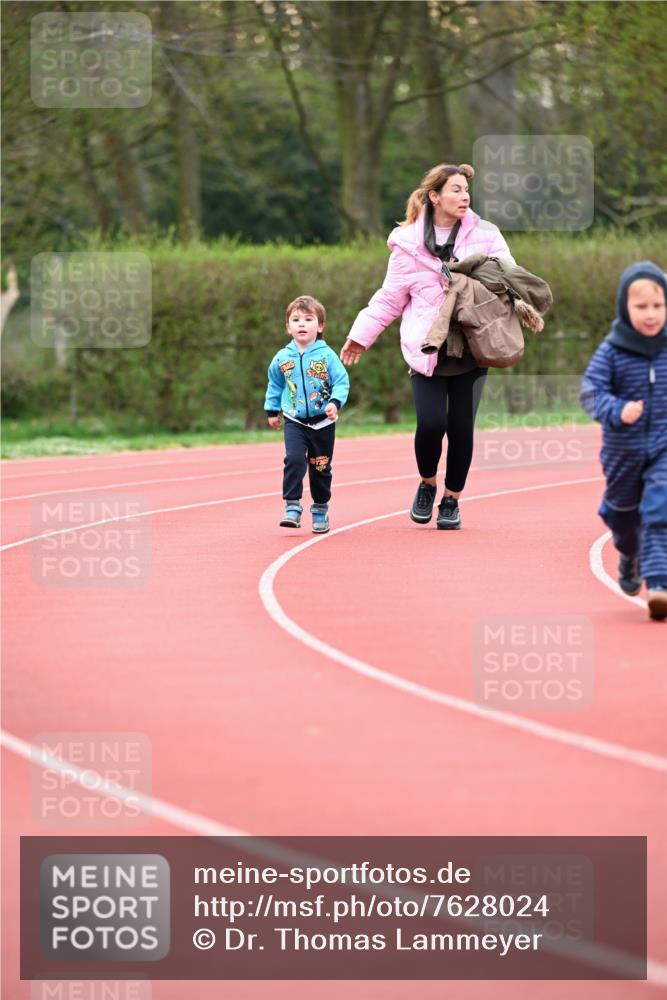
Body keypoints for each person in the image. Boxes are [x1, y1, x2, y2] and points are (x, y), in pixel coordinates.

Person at [340, 163, 514, 530]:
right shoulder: (406, 244)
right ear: (434, 196)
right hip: (427, 349)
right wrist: (360, 336)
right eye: (455, 189)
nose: (464, 195)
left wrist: (475, 276)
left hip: (472, 345)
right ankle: (427, 483)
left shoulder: (487, 235)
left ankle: (451, 498)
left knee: (462, 427)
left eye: (466, 189)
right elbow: (389, 299)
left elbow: (508, 276)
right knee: (432, 423)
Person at [580, 261, 667, 621]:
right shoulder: (612, 351)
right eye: (641, 307)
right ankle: (629, 556)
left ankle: (659, 586)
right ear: (624, 308)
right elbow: (590, 392)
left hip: (663, 447)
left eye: (658, 306)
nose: (651, 315)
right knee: (622, 518)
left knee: (659, 509)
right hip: (622, 452)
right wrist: (618, 410)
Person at [265, 295, 350, 534]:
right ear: (288, 327)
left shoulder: (327, 356)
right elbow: (275, 384)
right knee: (293, 459)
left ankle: (320, 507)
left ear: (320, 326)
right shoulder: (282, 358)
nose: (302, 324)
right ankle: (292, 506)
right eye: (296, 319)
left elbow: (341, 381)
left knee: (320, 466)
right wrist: (272, 410)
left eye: (308, 319)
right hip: (294, 419)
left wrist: (335, 402)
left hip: (323, 422)